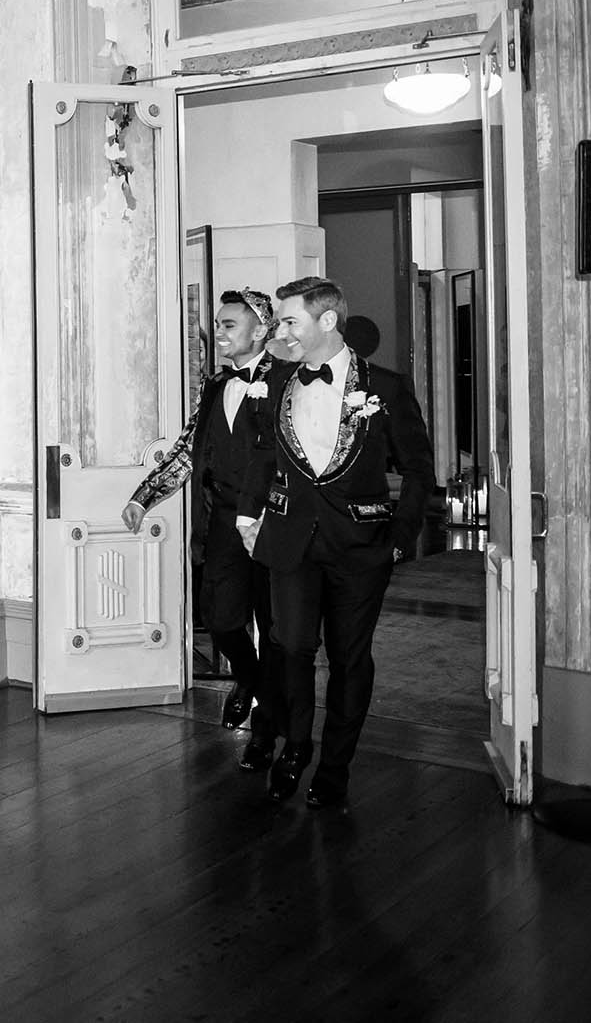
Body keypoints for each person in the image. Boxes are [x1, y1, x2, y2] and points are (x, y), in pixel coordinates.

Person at [239, 276, 433, 810]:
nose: (280, 332)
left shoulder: (386, 387)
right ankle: (296, 747)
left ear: (327, 321)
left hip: (361, 547)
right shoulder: (275, 380)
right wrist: (246, 518)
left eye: (288, 321)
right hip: (289, 544)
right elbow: (260, 455)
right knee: (291, 648)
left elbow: (419, 469)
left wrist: (399, 537)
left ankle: (335, 766)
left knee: (350, 660)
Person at [123, 289, 281, 771]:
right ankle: (247, 678)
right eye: (218, 324)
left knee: (274, 630)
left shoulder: (289, 382)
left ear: (260, 330)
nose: (219, 333)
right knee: (223, 618)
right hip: (223, 524)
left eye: (229, 324)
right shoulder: (214, 386)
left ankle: (266, 733)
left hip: (274, 526)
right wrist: (142, 496)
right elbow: (187, 451)